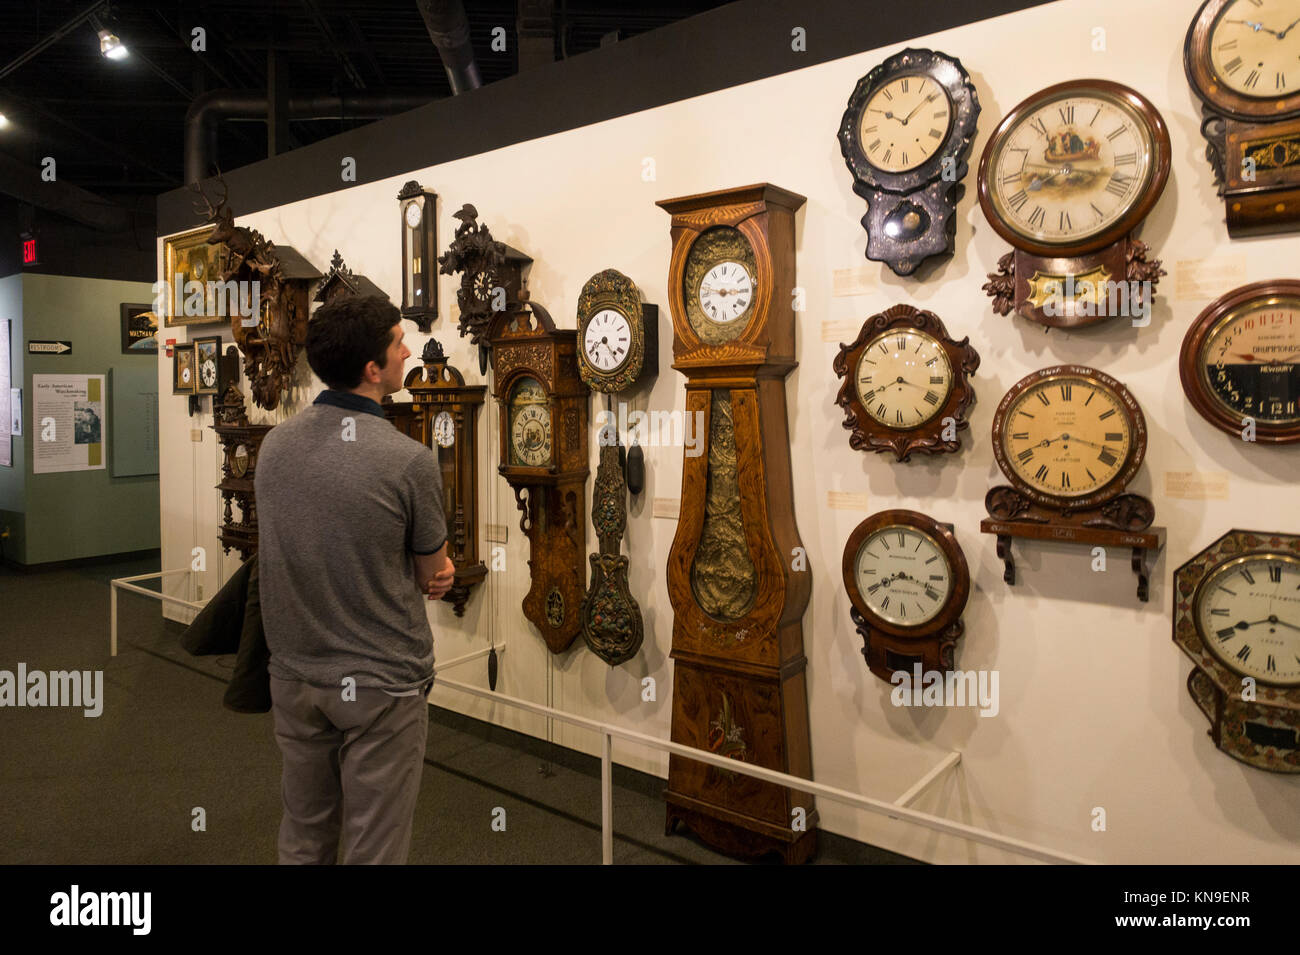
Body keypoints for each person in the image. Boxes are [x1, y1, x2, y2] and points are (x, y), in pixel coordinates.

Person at [255, 293, 454, 864]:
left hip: (294, 675)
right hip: (382, 684)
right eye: (398, 343)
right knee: (374, 847)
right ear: (373, 370)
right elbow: (432, 569)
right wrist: (438, 573)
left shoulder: (274, 446)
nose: (407, 350)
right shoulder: (408, 460)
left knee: (303, 835)